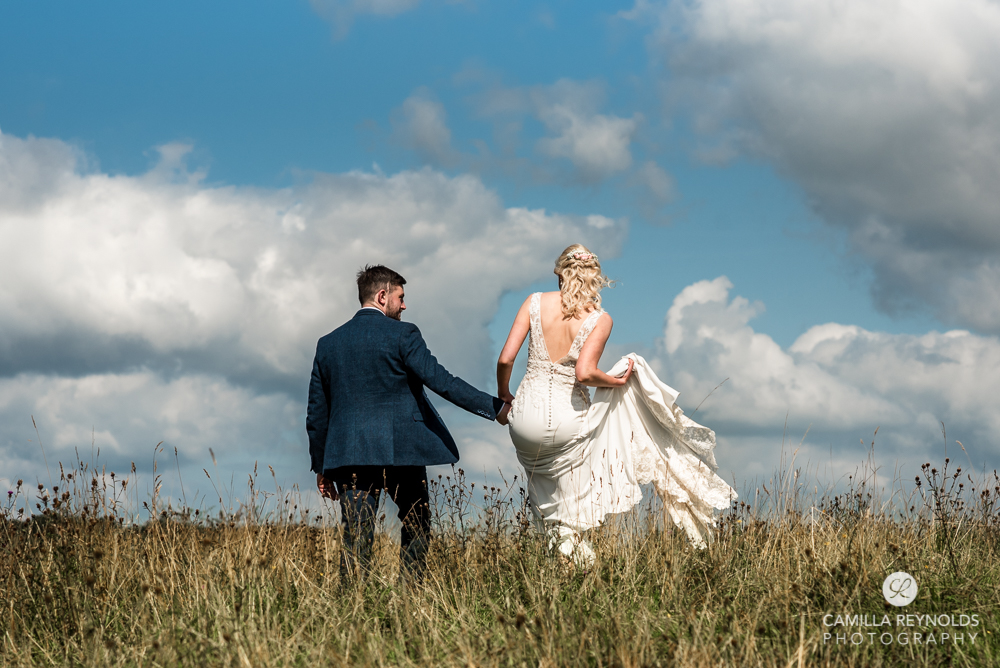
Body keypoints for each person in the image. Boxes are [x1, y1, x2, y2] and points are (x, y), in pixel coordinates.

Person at [496, 244, 736, 566]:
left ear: (559, 273)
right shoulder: (599, 319)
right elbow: (585, 373)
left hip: (524, 418)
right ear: (595, 278)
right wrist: (617, 382)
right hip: (567, 421)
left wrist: (505, 396)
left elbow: (505, 358)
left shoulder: (534, 302)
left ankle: (560, 566)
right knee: (568, 507)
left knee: (545, 498)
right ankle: (582, 569)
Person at [308, 265, 510, 581]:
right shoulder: (404, 334)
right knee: (417, 523)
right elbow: (441, 381)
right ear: (382, 295)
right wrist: (496, 408)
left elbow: (317, 412)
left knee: (356, 537)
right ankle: (410, 598)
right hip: (402, 451)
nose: (404, 306)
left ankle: (354, 612)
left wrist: (322, 467)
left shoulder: (328, 343)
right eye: (400, 297)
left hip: (349, 456)